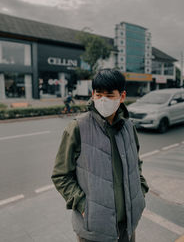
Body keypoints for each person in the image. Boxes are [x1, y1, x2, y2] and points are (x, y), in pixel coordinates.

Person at [51, 69, 149, 242]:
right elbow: (61, 175)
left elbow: (136, 165)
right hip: (93, 231)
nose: (103, 99)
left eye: (110, 95)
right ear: (93, 94)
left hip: (127, 226)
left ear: (122, 96)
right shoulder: (77, 128)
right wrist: (83, 206)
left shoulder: (129, 127)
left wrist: (140, 192)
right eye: (99, 94)